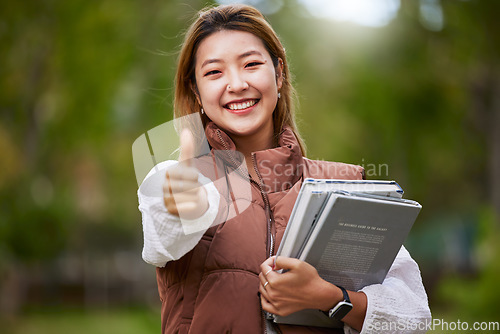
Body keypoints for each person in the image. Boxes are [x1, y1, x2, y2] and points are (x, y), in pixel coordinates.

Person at [138, 4, 431, 334]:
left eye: (251, 64)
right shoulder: (172, 178)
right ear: (196, 89)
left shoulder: (345, 185)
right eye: (214, 72)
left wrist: (331, 298)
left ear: (278, 74)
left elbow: (413, 316)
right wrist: (185, 204)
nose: (236, 84)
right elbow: (162, 239)